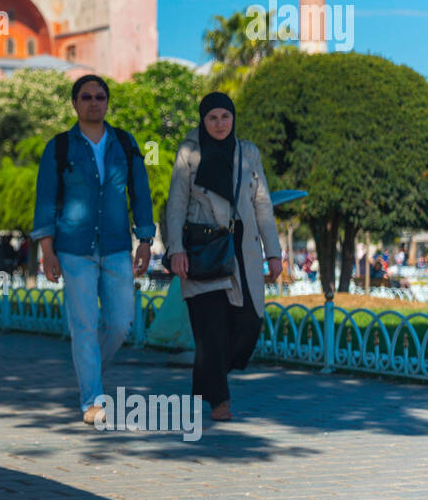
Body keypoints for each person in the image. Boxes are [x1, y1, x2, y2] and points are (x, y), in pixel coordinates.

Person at [31, 74, 154, 425]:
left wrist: (145, 241)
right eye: (86, 97)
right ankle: (92, 399)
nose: (94, 102)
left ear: (107, 102)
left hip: (117, 247)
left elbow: (141, 196)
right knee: (84, 326)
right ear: (75, 103)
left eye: (100, 97)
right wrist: (47, 249)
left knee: (120, 324)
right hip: (73, 249)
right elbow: (45, 201)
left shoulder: (126, 145)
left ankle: (89, 371)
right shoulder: (58, 147)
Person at [166, 92, 281, 423]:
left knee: (249, 324)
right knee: (211, 329)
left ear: (233, 118)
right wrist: (176, 249)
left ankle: (206, 375)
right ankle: (219, 400)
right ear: (203, 120)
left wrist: (273, 252)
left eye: (225, 117)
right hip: (203, 247)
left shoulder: (248, 152)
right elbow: (176, 203)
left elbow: (262, 203)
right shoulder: (189, 151)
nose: (219, 124)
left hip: (244, 249)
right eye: (212, 118)